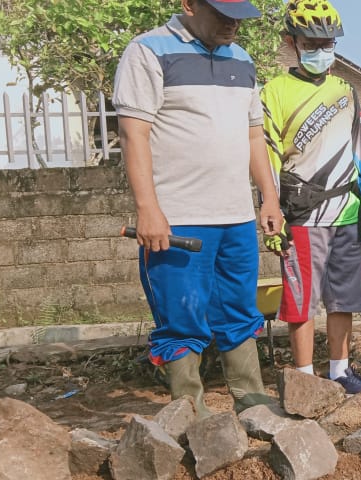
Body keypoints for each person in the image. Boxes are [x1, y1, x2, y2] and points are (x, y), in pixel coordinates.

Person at [113, 0, 279, 416]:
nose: (232, 25)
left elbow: (254, 135)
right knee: (180, 316)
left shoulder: (241, 59)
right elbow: (134, 135)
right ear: (188, 4)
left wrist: (269, 196)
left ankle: (253, 403)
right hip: (180, 217)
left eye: (239, 16)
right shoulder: (148, 51)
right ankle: (189, 413)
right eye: (222, 14)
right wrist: (148, 209)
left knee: (240, 311)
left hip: (236, 217)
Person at [260, 0, 361, 395]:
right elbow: (266, 155)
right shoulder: (273, 93)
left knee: (343, 299)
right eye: (311, 42)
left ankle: (341, 371)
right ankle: (305, 378)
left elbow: (360, 149)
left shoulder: (347, 91)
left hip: (348, 212)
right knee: (300, 301)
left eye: (328, 42)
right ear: (292, 42)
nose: (321, 49)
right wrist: (271, 207)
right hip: (302, 214)